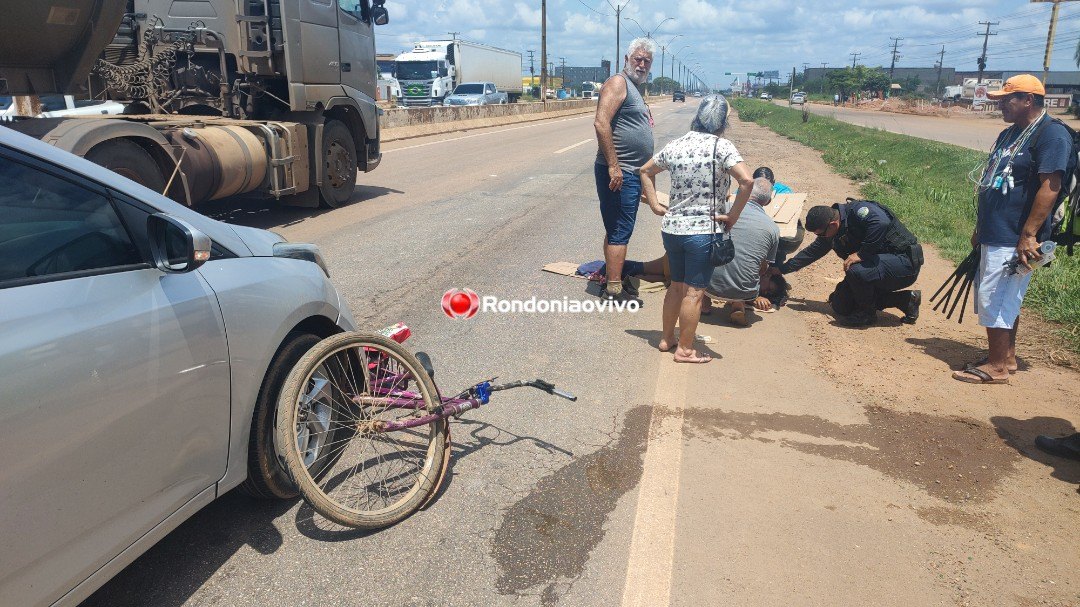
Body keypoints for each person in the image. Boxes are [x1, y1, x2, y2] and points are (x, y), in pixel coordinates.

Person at [952, 75, 1072, 385]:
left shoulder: (1051, 135)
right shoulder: (1009, 134)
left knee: (996, 298)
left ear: (1028, 100)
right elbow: (992, 182)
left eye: (1007, 100)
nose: (1000, 105)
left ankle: (996, 368)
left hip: (1016, 236)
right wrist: (981, 226)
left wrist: (1029, 234)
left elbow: (1051, 186)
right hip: (995, 231)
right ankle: (1006, 357)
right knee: (1004, 297)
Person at [640, 95, 754, 362]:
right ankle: (686, 349)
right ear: (723, 121)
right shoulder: (722, 147)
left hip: (672, 230)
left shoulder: (677, 144)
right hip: (703, 232)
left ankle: (667, 339)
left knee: (676, 287)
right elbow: (747, 181)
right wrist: (733, 216)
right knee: (694, 292)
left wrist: (655, 204)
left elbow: (645, 171)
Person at [777, 200, 923, 326]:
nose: (821, 237)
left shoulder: (859, 211)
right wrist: (782, 269)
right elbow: (812, 252)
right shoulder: (835, 227)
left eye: (821, 234)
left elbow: (881, 222)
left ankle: (867, 314)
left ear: (833, 224)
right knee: (841, 305)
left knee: (856, 270)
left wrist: (862, 254)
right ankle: (906, 300)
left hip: (904, 264)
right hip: (878, 267)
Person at [593, 37, 656, 305]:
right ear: (626, 60)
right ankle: (614, 291)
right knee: (620, 230)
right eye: (637, 59)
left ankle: (612, 277)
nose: (641, 64)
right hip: (620, 172)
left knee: (616, 227)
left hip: (630, 172)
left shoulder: (634, 88)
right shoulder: (618, 83)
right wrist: (614, 165)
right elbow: (601, 123)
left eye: (647, 61)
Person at [705, 177, 780, 326]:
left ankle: (703, 303)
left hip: (708, 282)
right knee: (752, 262)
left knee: (707, 250)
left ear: (741, 191)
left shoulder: (723, 208)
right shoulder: (773, 228)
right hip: (745, 290)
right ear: (768, 202)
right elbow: (764, 268)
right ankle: (738, 305)